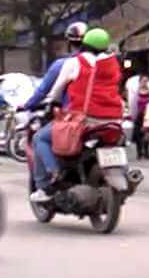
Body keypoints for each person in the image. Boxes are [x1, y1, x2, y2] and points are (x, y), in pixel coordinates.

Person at [28, 28, 126, 202]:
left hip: (85, 119)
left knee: (39, 138)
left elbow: (56, 90)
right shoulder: (113, 64)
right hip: (114, 119)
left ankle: (50, 181)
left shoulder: (75, 63)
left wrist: (54, 101)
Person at [23, 23, 90, 115]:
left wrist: (27, 105)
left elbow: (43, 91)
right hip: (105, 115)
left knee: (43, 129)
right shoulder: (103, 62)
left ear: (68, 42)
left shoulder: (62, 64)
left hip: (73, 116)